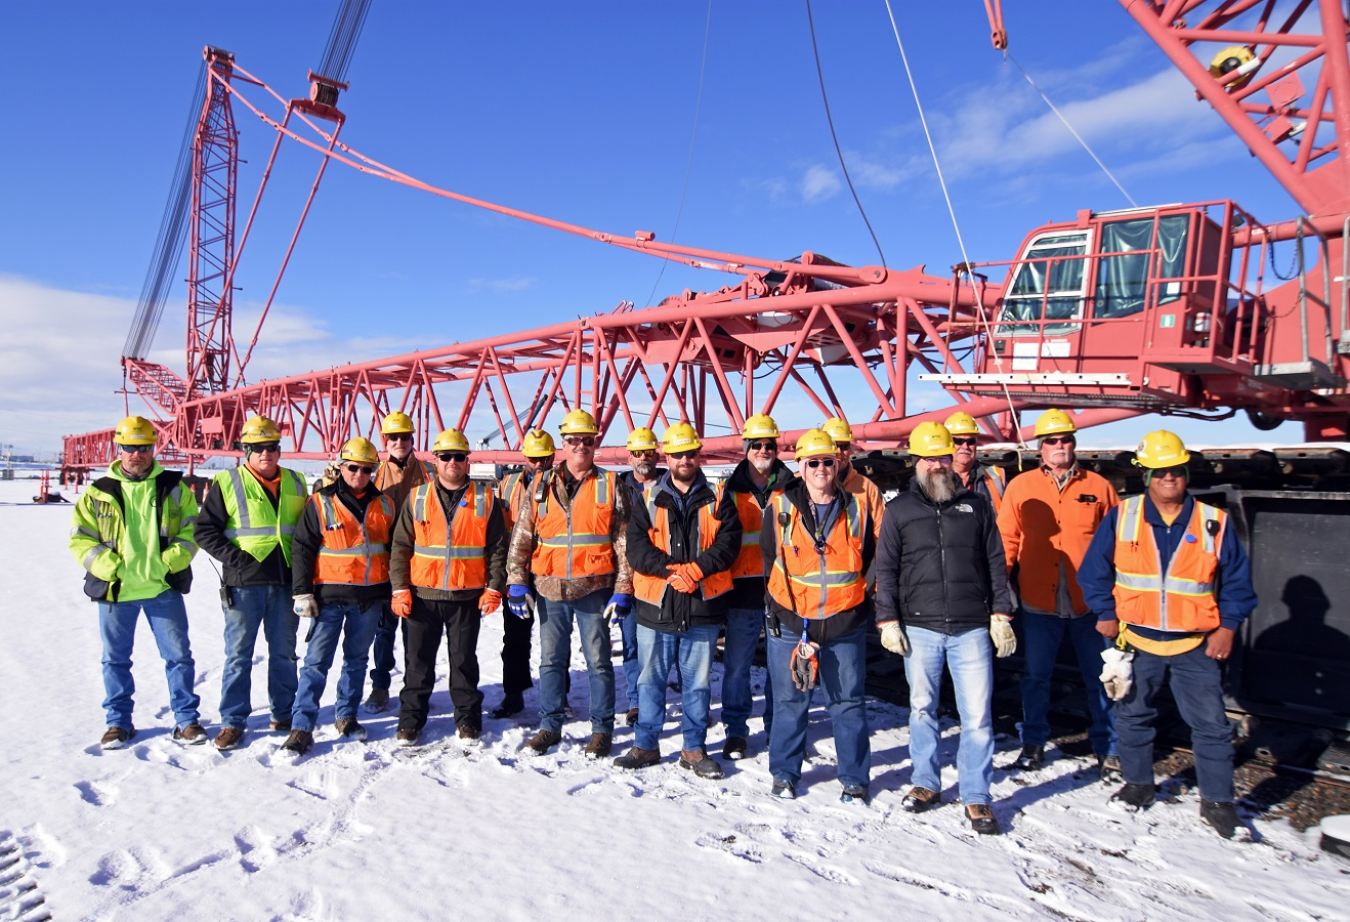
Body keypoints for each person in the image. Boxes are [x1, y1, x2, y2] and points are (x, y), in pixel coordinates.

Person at [1078, 431, 1257, 838]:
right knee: (1133, 715)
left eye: (1175, 470)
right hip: (1136, 641)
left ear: (1185, 472)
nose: (1168, 478)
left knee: (1211, 725)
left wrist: (1227, 628)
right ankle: (1138, 784)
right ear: (1147, 475)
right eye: (1159, 472)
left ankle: (1218, 802)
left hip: (1195, 644)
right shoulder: (1123, 516)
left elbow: (1237, 584)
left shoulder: (1214, 523)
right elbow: (1093, 571)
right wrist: (1105, 612)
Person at [876, 422, 1013, 834]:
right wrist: (887, 619)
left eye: (943, 457)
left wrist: (1001, 613)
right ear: (915, 461)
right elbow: (887, 567)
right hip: (920, 628)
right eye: (929, 458)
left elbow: (995, 561)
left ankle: (976, 795)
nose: (937, 465)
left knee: (977, 716)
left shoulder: (976, 506)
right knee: (922, 709)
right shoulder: (899, 510)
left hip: (971, 627)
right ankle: (925, 782)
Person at [998, 408, 1121, 778]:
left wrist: (1115, 603)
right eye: (1051, 440)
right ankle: (1033, 744)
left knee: (1101, 678)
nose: (1059, 446)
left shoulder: (1099, 488)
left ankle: (1108, 749)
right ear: (1040, 448)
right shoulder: (1021, 487)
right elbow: (1007, 540)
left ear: (1074, 443)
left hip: (1089, 606)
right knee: (1036, 678)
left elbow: (1116, 546)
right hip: (1039, 603)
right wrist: (1001, 594)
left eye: (1065, 439)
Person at [69, 416, 204, 749]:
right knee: (115, 660)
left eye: (144, 447)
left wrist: (166, 563)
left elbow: (191, 532)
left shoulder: (174, 488)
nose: (137, 454)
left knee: (179, 658)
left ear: (153, 448)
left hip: (162, 588)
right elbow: (80, 539)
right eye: (130, 448)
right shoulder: (99, 492)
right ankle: (118, 723)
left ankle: (186, 721)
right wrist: (110, 567)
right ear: (120, 449)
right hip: (117, 591)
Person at [614, 424, 740, 777]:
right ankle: (646, 745)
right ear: (666, 456)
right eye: (678, 454)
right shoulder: (648, 498)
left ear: (698, 455)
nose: (685, 460)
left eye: (690, 453)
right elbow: (637, 549)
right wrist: (673, 571)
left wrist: (695, 571)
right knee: (649, 680)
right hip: (657, 608)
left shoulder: (718, 495)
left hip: (701, 608)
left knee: (698, 684)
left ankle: (694, 749)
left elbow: (728, 544)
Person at [505, 409, 633, 758]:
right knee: (550, 661)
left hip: (594, 589)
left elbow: (624, 543)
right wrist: (517, 580)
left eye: (587, 440)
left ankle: (601, 729)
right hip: (550, 589)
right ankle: (549, 726)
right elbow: (522, 536)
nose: (581, 446)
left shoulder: (610, 485)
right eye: (574, 440)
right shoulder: (541, 484)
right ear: (562, 443)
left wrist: (624, 590)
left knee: (599, 661)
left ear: (595, 444)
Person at [760, 429, 875, 803]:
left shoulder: (857, 507)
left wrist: (859, 605)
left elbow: (873, 562)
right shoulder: (780, 508)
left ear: (838, 463)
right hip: (794, 625)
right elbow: (770, 562)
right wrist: (780, 610)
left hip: (844, 624)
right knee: (791, 702)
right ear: (801, 468)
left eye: (828, 461)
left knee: (848, 704)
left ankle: (854, 780)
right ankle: (784, 774)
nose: (822, 469)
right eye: (813, 463)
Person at [195, 415, 309, 751]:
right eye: (258, 448)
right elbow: (205, 531)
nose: (265, 454)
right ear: (246, 450)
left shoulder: (298, 482)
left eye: (271, 447)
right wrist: (238, 559)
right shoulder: (228, 482)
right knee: (238, 656)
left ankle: (284, 713)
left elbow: (306, 532)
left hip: (286, 581)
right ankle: (232, 721)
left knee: (285, 654)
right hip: (244, 584)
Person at [389, 428, 507, 745]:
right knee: (417, 666)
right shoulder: (418, 497)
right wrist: (399, 588)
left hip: (466, 598)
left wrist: (494, 587)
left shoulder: (485, 498)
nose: (452, 462)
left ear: (467, 460)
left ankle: (467, 720)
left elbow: (498, 548)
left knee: (464, 663)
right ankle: (410, 721)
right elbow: (400, 547)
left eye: (458, 456)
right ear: (435, 461)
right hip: (421, 597)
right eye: (445, 456)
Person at [283, 438, 395, 757]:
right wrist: (302, 591)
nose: (359, 474)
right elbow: (302, 548)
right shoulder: (320, 502)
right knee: (316, 663)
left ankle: (346, 716)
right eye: (353, 467)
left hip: (369, 599)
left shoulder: (385, 505)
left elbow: (393, 549)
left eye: (366, 469)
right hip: (328, 598)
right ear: (341, 468)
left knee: (356, 661)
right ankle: (301, 726)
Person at [718, 413, 793, 760]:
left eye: (770, 445)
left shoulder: (792, 487)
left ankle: (779, 727)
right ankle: (736, 731)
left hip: (783, 591)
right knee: (737, 666)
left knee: (782, 668)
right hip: (743, 591)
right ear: (747, 449)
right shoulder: (729, 491)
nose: (764, 450)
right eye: (757, 444)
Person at [365, 411, 432, 713]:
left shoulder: (429, 471)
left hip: (421, 563)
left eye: (405, 436)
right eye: (394, 437)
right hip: (386, 563)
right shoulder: (375, 474)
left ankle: (414, 688)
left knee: (416, 631)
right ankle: (380, 687)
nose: (400, 442)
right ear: (385, 441)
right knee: (384, 628)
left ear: (412, 439)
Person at [489, 429, 556, 719]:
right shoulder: (508, 483)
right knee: (514, 637)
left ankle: (558, 696)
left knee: (555, 639)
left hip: (550, 570)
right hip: (517, 574)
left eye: (543, 458)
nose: (538, 464)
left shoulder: (563, 483)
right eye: (533, 458)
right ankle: (513, 694)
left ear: (553, 456)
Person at [615, 426, 665, 725]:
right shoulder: (616, 487)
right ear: (628, 456)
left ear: (657, 454)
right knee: (633, 643)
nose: (643, 457)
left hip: (662, 578)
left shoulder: (671, 484)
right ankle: (636, 701)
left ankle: (679, 697)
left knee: (671, 645)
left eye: (648, 452)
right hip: (629, 581)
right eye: (637, 452)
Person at [944, 411, 1008, 515]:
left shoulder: (997, 476)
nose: (965, 446)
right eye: (958, 441)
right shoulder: (935, 478)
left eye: (970, 441)